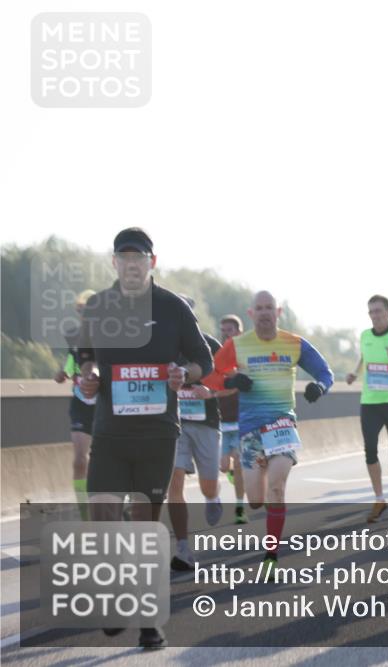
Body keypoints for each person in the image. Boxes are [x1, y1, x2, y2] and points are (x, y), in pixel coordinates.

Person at [76, 228, 214, 650]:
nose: (131, 264)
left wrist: (184, 374)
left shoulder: (172, 307)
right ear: (114, 262)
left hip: (157, 434)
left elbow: (203, 361)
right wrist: (89, 375)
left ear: (152, 262)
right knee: (102, 518)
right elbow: (85, 355)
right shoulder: (99, 306)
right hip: (110, 432)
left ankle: (150, 622)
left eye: (138, 258)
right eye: (124, 258)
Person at [203, 290, 333, 579]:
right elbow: (210, 376)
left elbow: (325, 373)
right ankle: (251, 478)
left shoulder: (294, 343)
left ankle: (271, 555)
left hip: (282, 426)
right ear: (251, 314)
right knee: (255, 500)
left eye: (269, 307)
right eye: (259, 308)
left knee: (277, 487)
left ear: (278, 312)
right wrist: (231, 381)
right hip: (250, 431)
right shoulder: (237, 345)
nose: (264, 312)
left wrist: (320, 387)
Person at [168, 297, 225, 571]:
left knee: (208, 485)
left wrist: (210, 392)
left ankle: (213, 497)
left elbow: (231, 381)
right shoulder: (164, 346)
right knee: (175, 480)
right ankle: (183, 547)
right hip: (175, 424)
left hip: (206, 423)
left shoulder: (210, 345)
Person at [345, 296, 388, 526]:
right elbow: (363, 356)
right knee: (370, 451)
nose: (375, 315)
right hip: (370, 402)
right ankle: (379, 499)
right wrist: (354, 372)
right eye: (371, 311)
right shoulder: (365, 335)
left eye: (379, 311)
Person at [53, 289, 97, 520]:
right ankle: (84, 511)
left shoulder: (112, 337)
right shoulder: (75, 337)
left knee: (108, 461)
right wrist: (63, 373)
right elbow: (72, 363)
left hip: (107, 406)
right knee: (80, 460)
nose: (84, 315)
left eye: (88, 311)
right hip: (81, 402)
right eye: (81, 311)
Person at [216, 314, 247, 524]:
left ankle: (239, 508)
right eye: (223, 330)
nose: (226, 334)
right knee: (223, 466)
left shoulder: (244, 356)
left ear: (238, 332)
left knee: (238, 462)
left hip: (241, 420)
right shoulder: (217, 356)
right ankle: (234, 477)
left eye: (230, 330)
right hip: (221, 421)